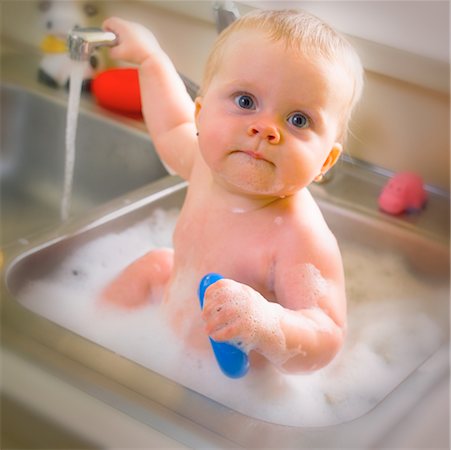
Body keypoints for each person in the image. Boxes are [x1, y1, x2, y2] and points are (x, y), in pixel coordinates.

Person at [100, 9, 364, 373]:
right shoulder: (205, 165)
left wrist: (266, 323)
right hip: (166, 332)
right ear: (201, 114)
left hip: (229, 380)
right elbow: (170, 127)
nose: (265, 129)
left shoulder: (299, 236)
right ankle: (84, 343)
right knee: (157, 264)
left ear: (325, 162)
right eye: (245, 101)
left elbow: (326, 335)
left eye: (298, 119)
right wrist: (150, 59)